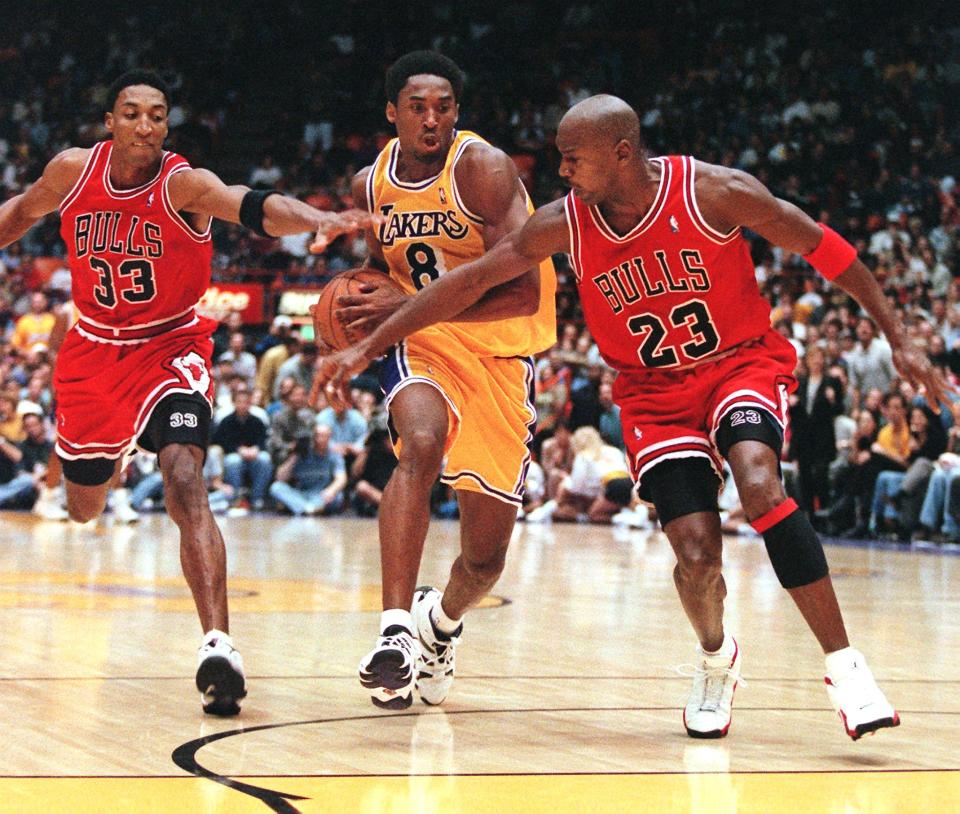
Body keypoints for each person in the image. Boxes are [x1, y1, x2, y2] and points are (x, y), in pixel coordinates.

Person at [319, 94, 953, 740]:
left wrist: (898, 336)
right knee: (698, 556)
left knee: (760, 483)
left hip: (739, 365)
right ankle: (716, 658)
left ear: (621, 153)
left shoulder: (712, 193)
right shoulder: (563, 224)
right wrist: (370, 345)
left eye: (572, 159)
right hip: (652, 394)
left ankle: (846, 670)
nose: (561, 172)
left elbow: (824, 248)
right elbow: (471, 281)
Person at [0, 69, 379, 715]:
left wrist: (317, 215)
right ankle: (114, 449)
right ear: (110, 122)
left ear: (165, 125)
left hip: (170, 346)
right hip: (92, 353)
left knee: (184, 478)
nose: (145, 125)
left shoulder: (183, 184)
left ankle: (218, 646)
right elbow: (22, 210)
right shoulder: (71, 172)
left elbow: (252, 204)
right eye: (132, 113)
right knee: (83, 506)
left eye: (156, 115)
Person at [327, 51, 556, 710]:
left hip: (501, 350)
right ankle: (395, 631)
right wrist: (355, 310)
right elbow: (380, 264)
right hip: (422, 341)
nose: (432, 119)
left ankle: (440, 625)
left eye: (444, 106)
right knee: (420, 443)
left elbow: (520, 294)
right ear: (391, 112)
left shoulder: (483, 170)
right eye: (418, 106)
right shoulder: (369, 184)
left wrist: (403, 305)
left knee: (485, 560)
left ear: (458, 112)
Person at [268, 424, 347, 516]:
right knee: (276, 487)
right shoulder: (302, 452)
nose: (320, 439)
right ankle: (308, 509)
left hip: (321, 495)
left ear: (329, 438)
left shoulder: (334, 453)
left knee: (338, 496)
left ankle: (302, 509)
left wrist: (331, 490)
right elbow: (280, 478)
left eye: (323, 436)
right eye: (317, 435)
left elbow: (341, 478)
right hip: (301, 494)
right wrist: (295, 454)